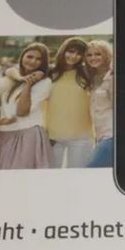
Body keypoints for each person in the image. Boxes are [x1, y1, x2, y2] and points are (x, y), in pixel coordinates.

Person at [0, 43, 53, 169]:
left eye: (38, 59)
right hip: (4, 134)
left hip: (27, 135)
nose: (33, 61)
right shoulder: (14, 77)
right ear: (22, 57)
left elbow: (22, 111)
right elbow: (9, 70)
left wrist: (28, 84)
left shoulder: (45, 82)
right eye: (29, 56)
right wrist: (22, 78)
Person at [47, 37, 93, 168]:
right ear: (63, 50)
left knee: (77, 176)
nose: (74, 56)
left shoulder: (88, 73)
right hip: (52, 136)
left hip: (82, 136)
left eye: (79, 54)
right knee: (50, 175)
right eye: (71, 51)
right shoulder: (49, 73)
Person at [85, 40, 114, 168]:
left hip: (111, 134)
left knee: (91, 170)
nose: (93, 58)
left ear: (106, 55)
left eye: (98, 54)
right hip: (99, 136)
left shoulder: (112, 76)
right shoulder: (92, 77)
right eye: (89, 55)